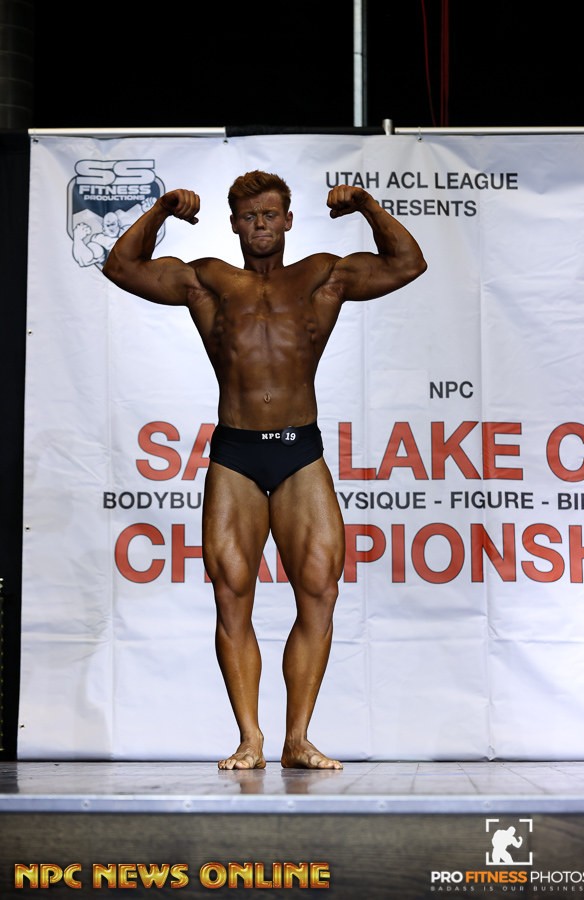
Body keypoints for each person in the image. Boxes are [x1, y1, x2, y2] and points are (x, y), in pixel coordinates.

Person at [102, 170, 427, 770]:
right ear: (234, 224)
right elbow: (121, 267)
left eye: (270, 215)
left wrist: (365, 205)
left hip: (299, 450)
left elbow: (409, 264)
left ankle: (296, 739)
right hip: (236, 454)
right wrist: (163, 208)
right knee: (232, 595)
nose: (261, 225)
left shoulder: (321, 276)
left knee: (320, 589)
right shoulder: (208, 279)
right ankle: (250, 739)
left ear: (288, 220)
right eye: (250, 216)